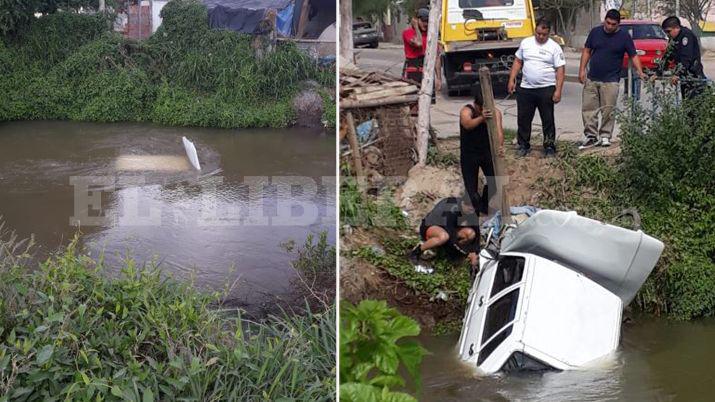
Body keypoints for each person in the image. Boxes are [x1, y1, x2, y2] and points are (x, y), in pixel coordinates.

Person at [578, 9, 647, 150]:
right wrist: (582, 70)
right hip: (592, 78)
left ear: (618, 24)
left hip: (611, 80)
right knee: (588, 109)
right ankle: (591, 136)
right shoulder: (595, 32)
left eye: (613, 24)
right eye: (607, 23)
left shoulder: (624, 37)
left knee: (608, 110)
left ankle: (605, 136)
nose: (609, 26)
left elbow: (633, 55)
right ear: (605, 20)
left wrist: (640, 71)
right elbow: (586, 50)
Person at [508, 17, 565, 157]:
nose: (540, 37)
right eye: (538, 33)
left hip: (546, 88)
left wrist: (558, 90)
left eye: (544, 34)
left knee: (547, 119)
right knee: (523, 118)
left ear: (549, 33)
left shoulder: (554, 47)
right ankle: (523, 145)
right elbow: (518, 61)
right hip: (526, 88)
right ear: (535, 30)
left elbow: (560, 69)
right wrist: (512, 79)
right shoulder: (526, 43)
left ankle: (549, 146)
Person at [408, 197, 481, 277]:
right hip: (431, 226)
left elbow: (476, 232)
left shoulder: (471, 210)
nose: (472, 212)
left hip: (449, 229)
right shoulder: (452, 208)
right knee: (444, 237)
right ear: (463, 204)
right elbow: (450, 237)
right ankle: (416, 252)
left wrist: (474, 252)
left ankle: (451, 254)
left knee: (470, 234)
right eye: (471, 209)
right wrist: (465, 253)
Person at [460, 90, 504, 215]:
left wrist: (499, 146)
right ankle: (475, 210)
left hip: (487, 152)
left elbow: (499, 133)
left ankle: (484, 206)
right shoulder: (467, 111)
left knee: (494, 182)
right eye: (482, 108)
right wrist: (481, 118)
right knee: (471, 189)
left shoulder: (495, 113)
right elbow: (467, 124)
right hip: (469, 154)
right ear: (476, 105)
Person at [658, 16, 707, 99]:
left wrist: (678, 74)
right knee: (687, 105)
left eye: (668, 31)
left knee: (695, 105)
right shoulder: (673, 39)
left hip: (694, 76)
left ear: (676, 28)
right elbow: (668, 56)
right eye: (665, 32)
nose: (667, 34)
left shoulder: (686, 36)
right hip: (684, 78)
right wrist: (658, 72)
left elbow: (686, 57)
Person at [402, 8, 442, 93]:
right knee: (414, 101)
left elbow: (436, 58)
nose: (426, 24)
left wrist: (438, 78)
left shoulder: (431, 36)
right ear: (416, 20)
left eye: (427, 21)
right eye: (423, 21)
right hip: (414, 73)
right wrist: (416, 27)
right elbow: (419, 43)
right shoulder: (408, 33)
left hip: (428, 74)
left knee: (428, 102)